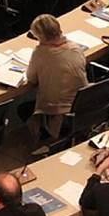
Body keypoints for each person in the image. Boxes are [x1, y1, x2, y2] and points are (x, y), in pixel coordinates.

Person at [23, 13, 88, 145]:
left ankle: (44, 139)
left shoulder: (41, 53)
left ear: (41, 37)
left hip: (59, 111)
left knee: (23, 109)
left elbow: (31, 79)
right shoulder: (75, 47)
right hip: (82, 103)